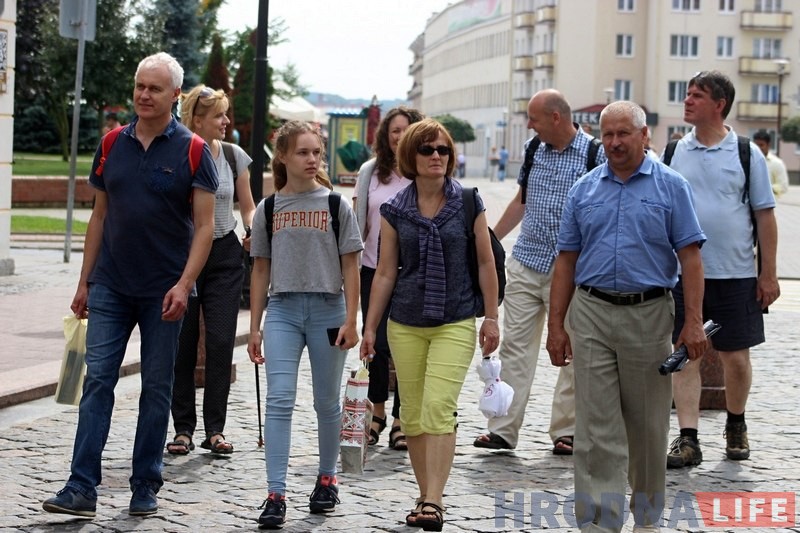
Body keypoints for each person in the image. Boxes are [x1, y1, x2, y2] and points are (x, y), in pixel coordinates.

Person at [42, 52, 218, 518]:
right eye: (140, 86)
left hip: (165, 292)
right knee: (96, 381)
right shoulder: (110, 144)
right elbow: (98, 216)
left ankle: (145, 484)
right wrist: (85, 282)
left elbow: (204, 228)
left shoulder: (194, 149)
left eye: (154, 88)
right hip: (111, 286)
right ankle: (81, 487)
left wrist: (184, 285)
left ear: (174, 95)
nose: (143, 95)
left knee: (156, 388)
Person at [547, 100, 707, 532]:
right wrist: (555, 326)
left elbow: (690, 258)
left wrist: (692, 322)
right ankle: (600, 523)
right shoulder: (583, 189)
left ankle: (648, 520)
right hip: (593, 313)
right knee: (596, 429)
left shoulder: (672, 186)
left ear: (644, 136)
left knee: (647, 427)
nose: (614, 143)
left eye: (623, 134)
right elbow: (566, 260)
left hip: (649, 313)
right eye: (608, 135)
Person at [359, 118, 500, 531]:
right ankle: (424, 493)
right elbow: (385, 273)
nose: (437, 156)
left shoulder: (470, 201)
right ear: (411, 158)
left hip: (455, 320)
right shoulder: (395, 210)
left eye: (443, 150)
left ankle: (434, 500)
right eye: (427, 150)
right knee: (416, 413)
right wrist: (370, 329)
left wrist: (491, 317)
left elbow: (487, 261)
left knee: (438, 407)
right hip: (405, 322)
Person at [473, 89, 605, 456]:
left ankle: (568, 431)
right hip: (527, 263)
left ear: (556, 118)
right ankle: (502, 429)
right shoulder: (534, 149)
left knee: (573, 351)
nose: (529, 125)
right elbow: (522, 200)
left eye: (534, 118)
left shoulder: (594, 154)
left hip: (574, 272)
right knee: (515, 347)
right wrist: (491, 240)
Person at [247, 120, 363, 529]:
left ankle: (327, 480)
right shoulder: (269, 208)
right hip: (283, 310)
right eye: (303, 152)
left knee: (326, 402)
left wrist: (353, 318)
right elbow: (260, 270)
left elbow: (352, 266)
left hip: (329, 311)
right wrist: (255, 326)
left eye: (316, 152)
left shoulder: (336, 205)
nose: (312, 159)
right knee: (279, 398)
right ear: (282, 156)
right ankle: (275, 493)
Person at [664, 71, 780, 469]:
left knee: (735, 356)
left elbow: (765, 217)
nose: (688, 100)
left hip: (736, 273)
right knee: (685, 355)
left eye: (697, 95)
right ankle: (688, 437)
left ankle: (736, 423)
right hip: (682, 274)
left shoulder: (747, 153)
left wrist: (768, 273)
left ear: (719, 104)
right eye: (687, 93)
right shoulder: (674, 151)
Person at [167, 85, 256, 456]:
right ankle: (183, 429)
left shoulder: (234, 156)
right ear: (196, 119)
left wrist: (254, 229)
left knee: (220, 342)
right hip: (185, 256)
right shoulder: (180, 153)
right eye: (218, 115)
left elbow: (247, 206)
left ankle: (214, 429)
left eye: (225, 113)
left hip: (223, 254)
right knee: (183, 346)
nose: (226, 121)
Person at [353, 106, 424, 451]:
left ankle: (401, 419)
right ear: (386, 135)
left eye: (406, 130)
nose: (399, 136)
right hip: (371, 269)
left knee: (406, 347)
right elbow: (358, 223)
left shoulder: (421, 172)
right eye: (394, 130)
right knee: (376, 344)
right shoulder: (371, 172)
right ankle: (376, 411)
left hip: (412, 273)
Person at [753, 129, 789, 199]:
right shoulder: (748, 160)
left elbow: (783, 186)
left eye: (761, 145)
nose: (758, 148)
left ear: (768, 145)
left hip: (768, 204)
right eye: (756, 145)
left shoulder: (777, 163)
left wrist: (764, 188)